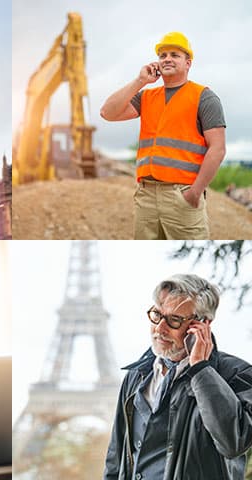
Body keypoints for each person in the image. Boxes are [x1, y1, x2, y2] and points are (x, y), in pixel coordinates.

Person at [103, 274, 252, 480]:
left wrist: (200, 368)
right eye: (157, 315)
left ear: (202, 325)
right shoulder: (136, 375)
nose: (160, 329)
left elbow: (233, 443)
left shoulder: (237, 374)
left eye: (174, 320)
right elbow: (115, 458)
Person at [100, 32, 226, 240]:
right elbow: (107, 113)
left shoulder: (204, 97)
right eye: (163, 55)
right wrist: (140, 81)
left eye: (174, 54)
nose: (167, 58)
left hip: (182, 195)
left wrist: (195, 192)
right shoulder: (146, 97)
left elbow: (218, 149)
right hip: (146, 196)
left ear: (188, 63)